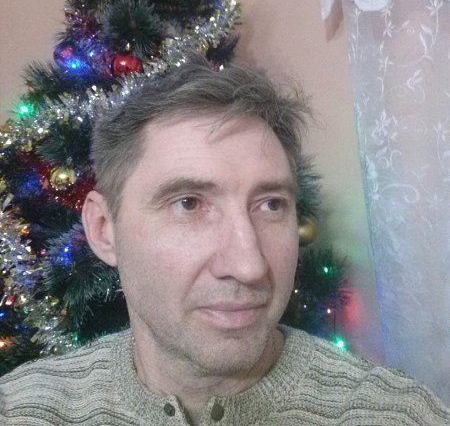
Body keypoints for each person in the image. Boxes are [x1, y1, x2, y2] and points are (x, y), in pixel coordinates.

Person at [1, 57, 449, 425]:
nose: (249, 265)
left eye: (270, 204)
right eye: (189, 203)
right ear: (104, 229)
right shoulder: (22, 410)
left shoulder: (396, 415)